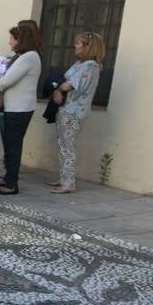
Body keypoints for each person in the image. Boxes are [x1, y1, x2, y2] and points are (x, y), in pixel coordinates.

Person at [0, 20, 42, 195]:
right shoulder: (25, 56)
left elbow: (6, 81)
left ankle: (11, 184)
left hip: (19, 108)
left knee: (13, 145)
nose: (10, 42)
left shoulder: (29, 57)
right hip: (14, 107)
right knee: (10, 144)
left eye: (12, 38)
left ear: (21, 39)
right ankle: (8, 177)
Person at [49, 31, 105, 194]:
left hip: (73, 112)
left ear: (88, 46)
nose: (75, 46)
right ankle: (64, 177)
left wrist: (59, 88)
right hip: (66, 109)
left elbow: (69, 85)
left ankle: (69, 182)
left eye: (78, 43)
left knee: (68, 146)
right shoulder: (79, 64)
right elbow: (63, 82)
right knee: (63, 145)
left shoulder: (90, 66)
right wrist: (59, 88)